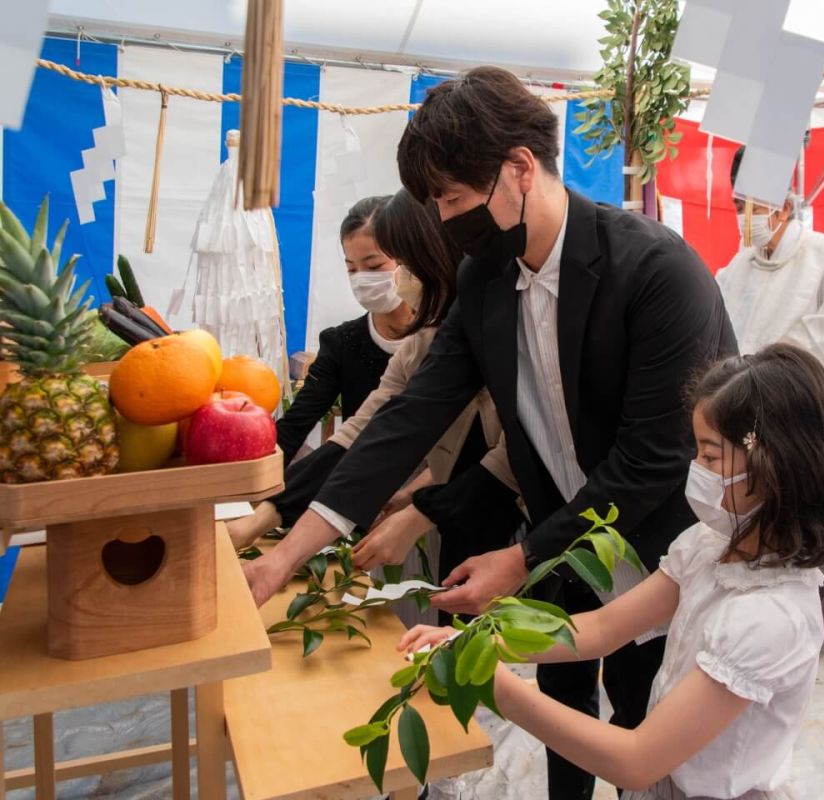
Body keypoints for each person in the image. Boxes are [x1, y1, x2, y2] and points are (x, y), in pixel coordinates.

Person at [258, 66, 736, 798]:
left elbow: (653, 459)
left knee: (651, 729)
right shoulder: (487, 278)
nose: (446, 221)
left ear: (518, 168)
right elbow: (412, 414)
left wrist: (519, 559)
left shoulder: (654, 271)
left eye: (452, 198)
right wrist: (288, 550)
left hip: (659, 544)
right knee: (560, 708)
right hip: (559, 539)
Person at [399, 344, 824, 800]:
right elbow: (600, 628)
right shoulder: (710, 546)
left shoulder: (769, 617)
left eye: (711, 456)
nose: (696, 468)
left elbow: (636, 761)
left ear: (775, 463)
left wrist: (498, 686)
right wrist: (475, 643)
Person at [236, 189, 524, 626]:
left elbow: (513, 454)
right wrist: (270, 533)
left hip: (536, 516)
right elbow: (367, 431)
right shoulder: (424, 341)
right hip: (456, 513)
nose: (399, 280)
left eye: (391, 264)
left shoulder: (505, 324)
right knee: (450, 637)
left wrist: (419, 510)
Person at [717, 146, 824, 457]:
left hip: (802, 412)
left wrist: (771, 367)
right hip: (746, 407)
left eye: (754, 209)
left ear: (784, 208)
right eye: (739, 207)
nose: (745, 219)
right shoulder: (739, 265)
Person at [274, 196, 409, 464]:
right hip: (359, 485)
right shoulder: (342, 343)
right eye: (351, 269)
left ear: (410, 257)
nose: (361, 278)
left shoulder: (443, 335)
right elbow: (294, 427)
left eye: (373, 267)